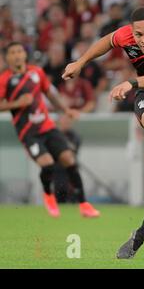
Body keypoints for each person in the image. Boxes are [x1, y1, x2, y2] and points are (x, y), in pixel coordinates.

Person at [61, 7, 144, 259]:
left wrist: (131, 82)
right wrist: (80, 62)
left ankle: (139, 236)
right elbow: (106, 42)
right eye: (138, 34)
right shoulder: (127, 35)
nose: (143, 39)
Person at [0, 42, 100, 218]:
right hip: (28, 133)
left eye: (19, 51)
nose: (17, 55)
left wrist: (66, 110)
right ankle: (48, 194)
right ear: (7, 58)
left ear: (24, 54)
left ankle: (84, 205)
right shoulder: (5, 79)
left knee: (69, 159)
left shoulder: (36, 72)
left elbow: (50, 94)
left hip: (48, 127)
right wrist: (17, 103)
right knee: (47, 164)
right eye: (13, 52)